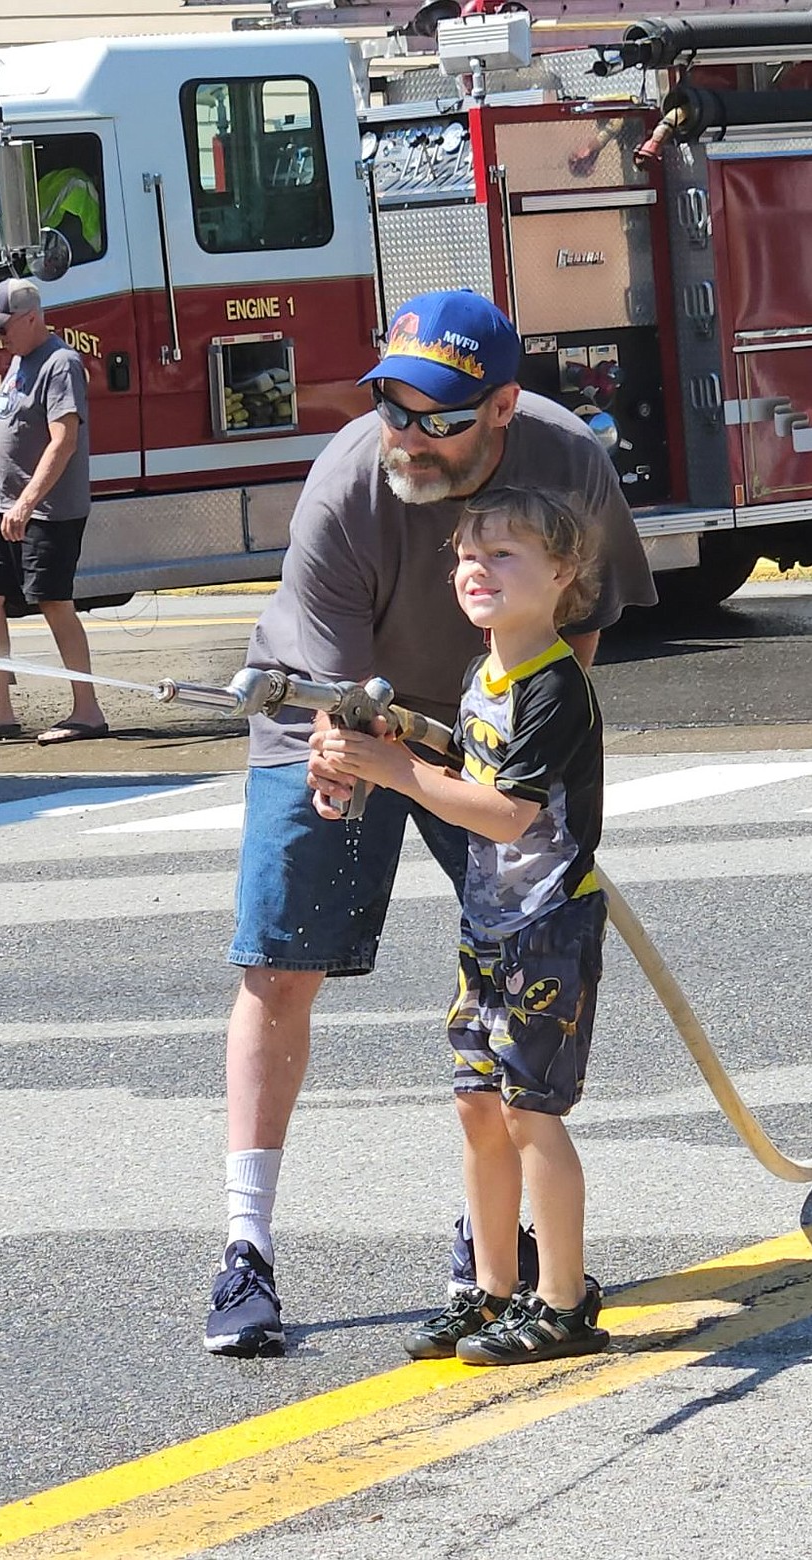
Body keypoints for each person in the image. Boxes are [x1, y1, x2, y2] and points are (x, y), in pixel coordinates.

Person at [203, 287, 655, 1359]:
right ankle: (245, 1250)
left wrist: (524, 756)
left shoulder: (566, 467)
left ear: (502, 406)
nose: (405, 433)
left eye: (438, 414)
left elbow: (577, 636)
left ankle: (502, 1250)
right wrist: (345, 768)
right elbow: (328, 693)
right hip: (344, 718)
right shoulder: (347, 483)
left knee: (519, 981)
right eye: (393, 406)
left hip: (482, 732)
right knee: (278, 967)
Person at [322, 486, 610, 1365]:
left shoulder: (555, 685)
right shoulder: (487, 678)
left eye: (504, 556)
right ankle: (491, 1292)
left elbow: (508, 814)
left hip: (547, 923)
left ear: (562, 575)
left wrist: (396, 769)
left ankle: (563, 1304)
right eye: (466, 558)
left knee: (532, 1113)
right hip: (487, 923)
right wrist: (376, 749)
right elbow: (463, 757)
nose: (476, 571)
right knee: (479, 1106)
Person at [0, 277, 107, 746]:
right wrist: (8, 504)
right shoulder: (18, 361)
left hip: (48, 509)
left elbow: (64, 440)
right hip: (3, 506)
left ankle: (88, 711)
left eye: (3, 327)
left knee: (54, 601)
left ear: (32, 318)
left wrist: (27, 503)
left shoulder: (61, 364)